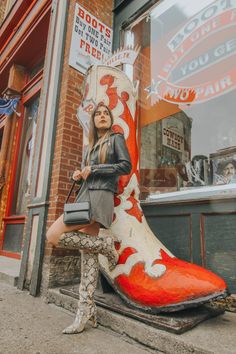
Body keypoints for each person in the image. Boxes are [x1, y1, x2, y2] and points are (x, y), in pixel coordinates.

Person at [46, 103, 131, 334]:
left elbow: (126, 166)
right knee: (88, 257)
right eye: (98, 114)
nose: (102, 116)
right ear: (93, 121)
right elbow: (88, 174)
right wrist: (80, 174)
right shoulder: (90, 147)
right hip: (85, 196)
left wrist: (94, 170)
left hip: (101, 196)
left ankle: (105, 245)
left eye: (106, 114)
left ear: (110, 119)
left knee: (53, 235)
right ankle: (86, 310)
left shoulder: (116, 139)